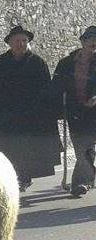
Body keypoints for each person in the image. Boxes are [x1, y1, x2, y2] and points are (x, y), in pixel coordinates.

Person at [0, 25, 62, 192]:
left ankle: (23, 178)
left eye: (24, 41)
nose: (21, 44)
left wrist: (49, 112)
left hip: (30, 116)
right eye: (17, 41)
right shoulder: (0, 62)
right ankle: (12, 177)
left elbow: (46, 90)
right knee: (8, 148)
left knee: (27, 150)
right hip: (7, 116)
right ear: (10, 43)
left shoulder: (37, 63)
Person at [49, 26, 96, 197]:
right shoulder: (66, 63)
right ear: (82, 41)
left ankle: (83, 181)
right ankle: (83, 181)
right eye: (91, 39)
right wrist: (56, 108)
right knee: (82, 148)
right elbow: (56, 86)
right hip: (76, 112)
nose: (94, 42)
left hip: (94, 111)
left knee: (89, 146)